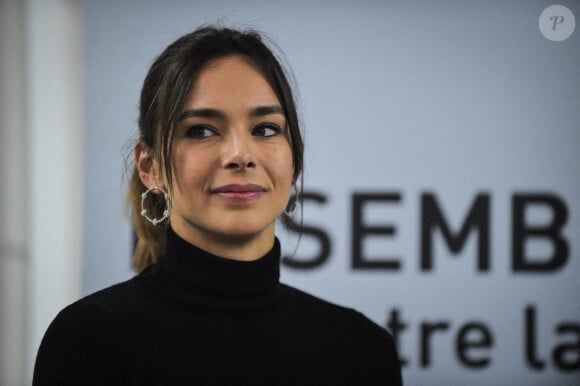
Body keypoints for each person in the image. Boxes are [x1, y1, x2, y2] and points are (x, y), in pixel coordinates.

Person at [33, 25, 403, 385]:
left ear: (294, 160)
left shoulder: (364, 350)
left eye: (265, 129)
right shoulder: (90, 340)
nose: (240, 156)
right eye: (201, 131)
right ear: (150, 167)